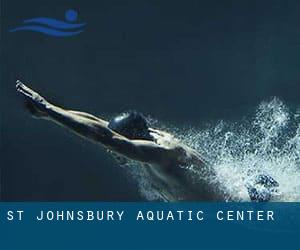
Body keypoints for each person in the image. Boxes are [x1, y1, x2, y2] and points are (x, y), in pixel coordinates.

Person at [15, 80, 277, 201]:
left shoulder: (161, 154)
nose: (111, 151)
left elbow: (105, 137)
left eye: (115, 146)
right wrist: (51, 113)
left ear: (132, 140)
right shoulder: (146, 139)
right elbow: (99, 126)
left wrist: (48, 109)